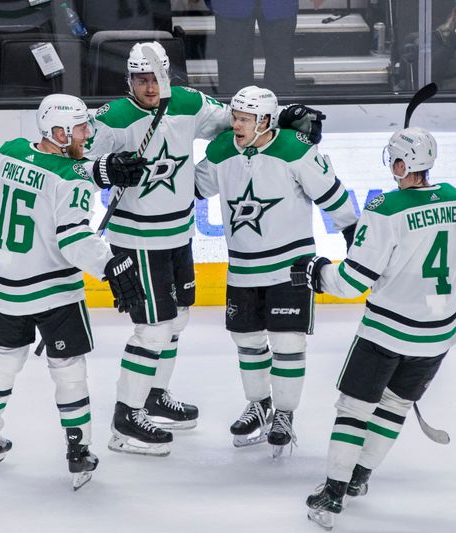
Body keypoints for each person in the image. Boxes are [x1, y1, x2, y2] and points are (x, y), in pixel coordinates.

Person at [86, 41, 325, 457]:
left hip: (179, 236)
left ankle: (154, 396)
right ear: (129, 79)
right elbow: (72, 154)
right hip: (138, 239)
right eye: (138, 79)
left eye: (153, 77)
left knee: (176, 321)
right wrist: (101, 169)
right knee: (154, 329)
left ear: (165, 74)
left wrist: (285, 122)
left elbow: (240, 126)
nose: (147, 86)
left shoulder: (189, 103)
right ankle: (126, 419)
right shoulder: (114, 117)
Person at [0, 93, 146, 490]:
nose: (88, 132)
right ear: (60, 132)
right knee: (69, 371)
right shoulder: (73, 177)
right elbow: (74, 237)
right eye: (81, 127)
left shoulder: (9, 152)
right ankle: (78, 451)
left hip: (6, 287)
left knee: (2, 361)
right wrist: (111, 266)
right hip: (55, 292)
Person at [291, 127, 456, 530]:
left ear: (403, 163)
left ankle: (333, 493)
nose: (391, 164)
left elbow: (352, 282)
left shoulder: (384, 208)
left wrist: (317, 272)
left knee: (354, 409)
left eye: (395, 158)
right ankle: (359, 478)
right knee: (395, 407)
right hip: (439, 331)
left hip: (388, 331)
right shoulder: (455, 199)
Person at [194, 85, 356, 457]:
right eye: (235, 116)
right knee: (248, 343)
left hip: (291, 268)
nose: (235, 124)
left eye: (245, 119)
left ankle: (284, 414)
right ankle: (259, 404)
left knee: (287, 344)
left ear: (266, 121)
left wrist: (354, 238)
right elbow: (192, 189)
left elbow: (334, 197)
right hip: (243, 269)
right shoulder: (220, 151)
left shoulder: (296, 150)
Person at [205, 0, 325, 94]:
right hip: (230, 5)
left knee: (281, 63)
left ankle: (281, 113)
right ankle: (235, 117)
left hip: (280, 5)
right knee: (232, 64)